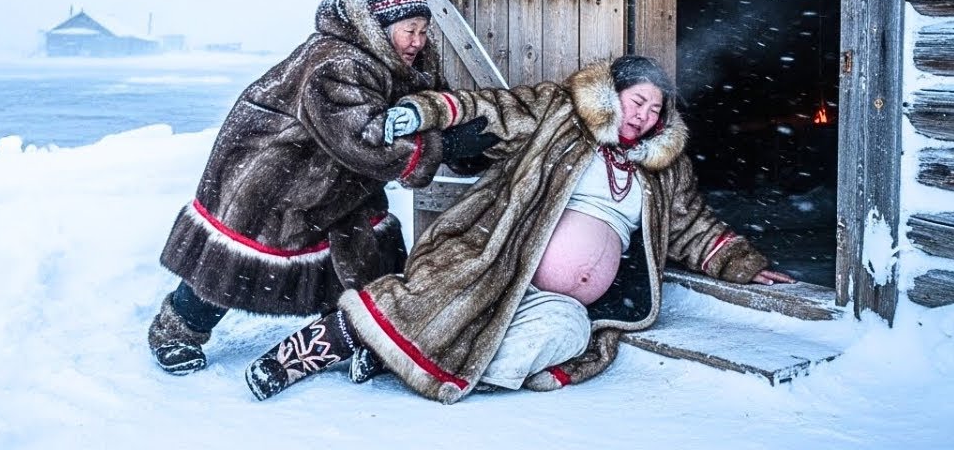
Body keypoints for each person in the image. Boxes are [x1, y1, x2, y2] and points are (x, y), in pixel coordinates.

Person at [244, 54, 795, 403]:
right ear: (614, 95)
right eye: (637, 101)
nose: (645, 116)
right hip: (502, 256)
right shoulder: (562, 114)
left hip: (562, 303)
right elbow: (495, 108)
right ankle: (294, 358)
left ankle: (402, 364)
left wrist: (741, 263)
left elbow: (691, 226)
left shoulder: (664, 170)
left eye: (656, 110)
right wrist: (428, 112)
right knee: (424, 303)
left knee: (567, 337)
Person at [148, 0, 500, 375]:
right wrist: (448, 147)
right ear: (381, 26)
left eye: (423, 29)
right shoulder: (336, 62)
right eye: (409, 30)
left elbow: (428, 111)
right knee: (240, 259)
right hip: (273, 171)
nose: (418, 41)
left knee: (370, 245)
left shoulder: (409, 62)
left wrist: (467, 144)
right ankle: (176, 330)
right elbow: (363, 137)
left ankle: (371, 332)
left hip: (335, 173)